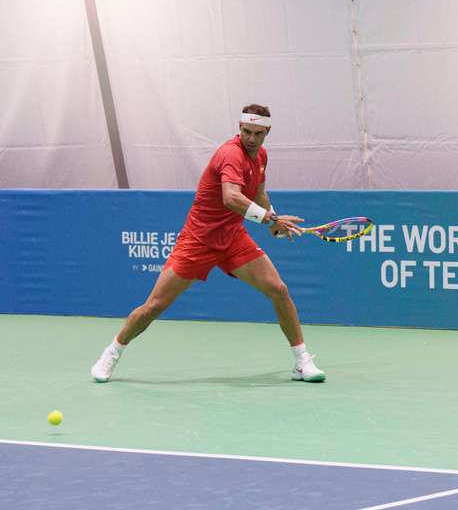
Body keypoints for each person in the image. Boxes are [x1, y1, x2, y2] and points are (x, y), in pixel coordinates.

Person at [90, 104, 326, 383]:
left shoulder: (261, 155)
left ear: (267, 132)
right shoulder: (230, 154)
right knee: (154, 305)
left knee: (278, 289)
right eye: (246, 131)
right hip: (198, 241)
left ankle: (302, 361)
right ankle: (111, 353)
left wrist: (273, 221)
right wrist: (269, 219)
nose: (251, 138)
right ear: (239, 128)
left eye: (257, 133)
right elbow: (231, 198)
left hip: (233, 238)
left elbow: (258, 191)